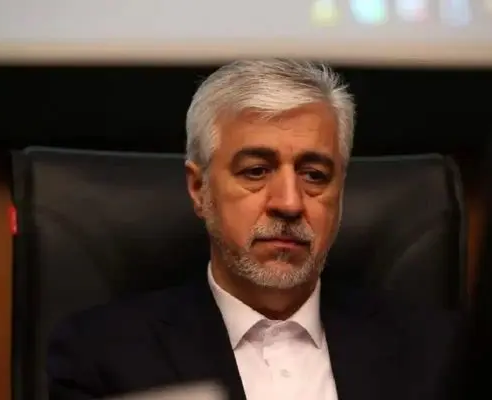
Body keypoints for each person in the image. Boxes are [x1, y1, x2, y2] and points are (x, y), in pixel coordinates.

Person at [48, 59, 463, 400]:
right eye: (256, 171)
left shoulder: (438, 353)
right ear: (199, 189)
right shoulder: (103, 355)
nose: (289, 203)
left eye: (315, 175)